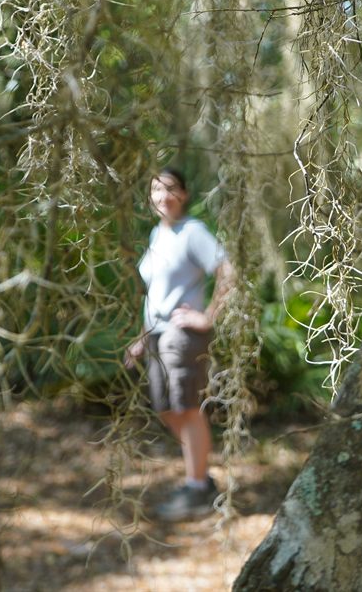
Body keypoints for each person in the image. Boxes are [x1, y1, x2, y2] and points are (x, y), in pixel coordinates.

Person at [127, 167, 235, 522]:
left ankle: (197, 485)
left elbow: (227, 272)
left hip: (182, 336)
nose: (163, 196)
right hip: (156, 336)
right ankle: (199, 479)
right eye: (157, 190)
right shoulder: (159, 235)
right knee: (166, 409)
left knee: (187, 408)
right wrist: (142, 338)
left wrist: (207, 316)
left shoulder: (193, 232)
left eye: (171, 189)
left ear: (184, 194)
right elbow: (154, 293)